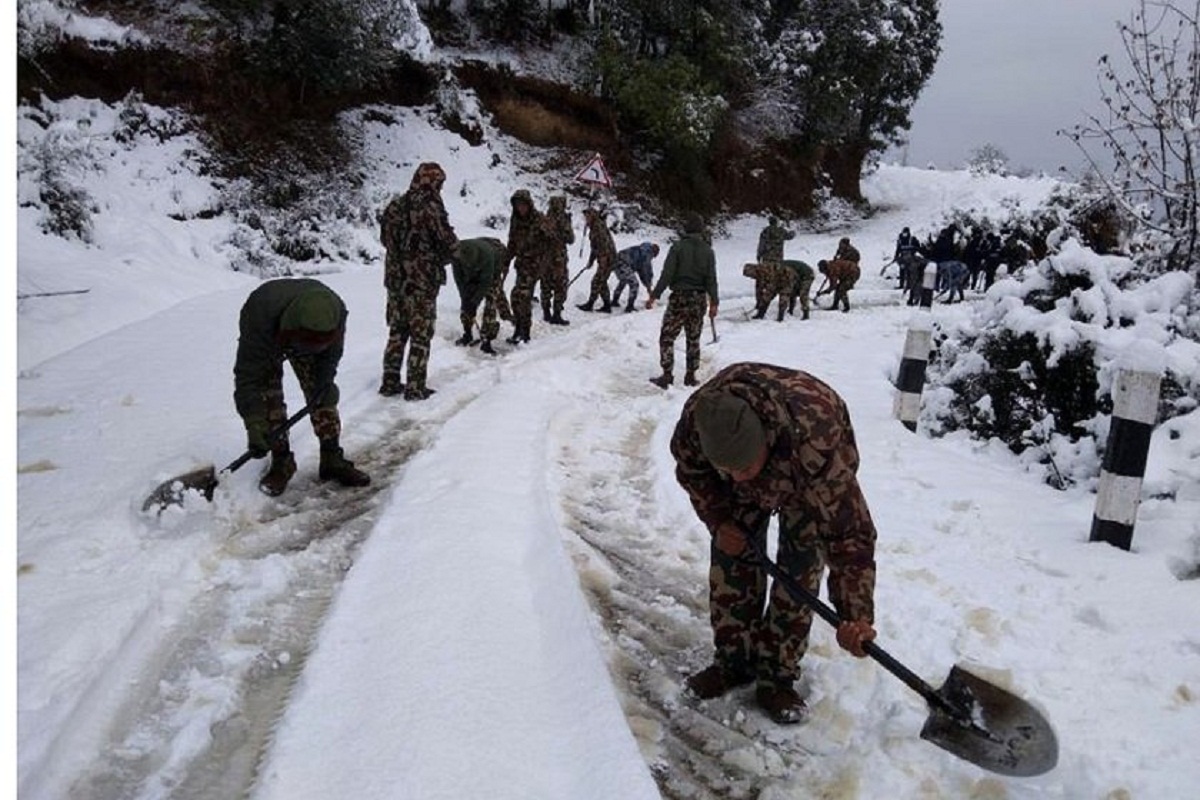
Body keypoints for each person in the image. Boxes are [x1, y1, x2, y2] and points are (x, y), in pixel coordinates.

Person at [668, 362, 878, 724]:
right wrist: (720, 520)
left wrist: (855, 615)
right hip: (762, 464)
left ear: (765, 438)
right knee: (732, 559)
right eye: (728, 470)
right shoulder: (697, 426)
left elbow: (849, 534)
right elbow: (694, 474)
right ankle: (734, 662)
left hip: (801, 470)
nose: (737, 477)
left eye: (745, 468)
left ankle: (777, 677)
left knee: (799, 572)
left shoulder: (816, 442)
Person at [234, 278, 371, 497]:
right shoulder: (259, 315)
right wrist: (254, 423)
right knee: (268, 395)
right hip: (271, 333)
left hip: (309, 333)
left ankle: (332, 458)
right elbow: (248, 378)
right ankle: (281, 462)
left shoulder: (334, 311)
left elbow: (330, 356)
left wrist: (325, 382)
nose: (304, 351)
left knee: (320, 393)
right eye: (304, 345)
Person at [378, 161, 457, 400]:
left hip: (395, 281)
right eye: (439, 183)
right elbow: (448, 243)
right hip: (421, 283)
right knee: (420, 334)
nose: (440, 188)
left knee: (397, 331)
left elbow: (385, 240)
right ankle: (415, 386)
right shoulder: (431, 208)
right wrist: (439, 258)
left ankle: (390, 381)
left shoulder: (395, 206)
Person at [645, 213, 718, 388]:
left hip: (679, 298)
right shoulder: (708, 251)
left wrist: (654, 295)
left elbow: (667, 274)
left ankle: (667, 375)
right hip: (699, 299)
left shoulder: (677, 247)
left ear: (685, 228)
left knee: (667, 336)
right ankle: (690, 376)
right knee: (693, 337)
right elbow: (711, 279)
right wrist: (714, 302)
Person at [450, 237, 509, 355]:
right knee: (467, 301)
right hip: (481, 255)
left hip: (495, 263)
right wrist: (466, 300)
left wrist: (475, 302)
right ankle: (467, 333)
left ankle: (487, 340)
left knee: (491, 299)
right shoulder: (456, 255)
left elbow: (485, 284)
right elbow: (460, 280)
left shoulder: (486, 257)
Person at [505, 189, 548, 345]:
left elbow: (552, 240)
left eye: (523, 205)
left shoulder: (539, 219)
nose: (520, 208)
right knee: (516, 297)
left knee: (523, 296)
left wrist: (545, 261)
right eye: (517, 205)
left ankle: (525, 332)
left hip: (535, 265)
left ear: (529, 205)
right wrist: (506, 261)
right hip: (521, 265)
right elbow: (512, 242)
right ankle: (519, 328)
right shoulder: (515, 220)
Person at [539, 195, 574, 325]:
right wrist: (568, 224)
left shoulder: (544, 219)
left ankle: (546, 312)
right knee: (561, 285)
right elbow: (570, 239)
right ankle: (557, 314)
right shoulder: (563, 219)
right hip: (558, 259)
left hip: (544, 258)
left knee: (545, 286)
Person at [576, 207, 618, 313]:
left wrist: (603, 262)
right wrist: (591, 260)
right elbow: (594, 247)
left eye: (587, 216)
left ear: (592, 216)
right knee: (602, 281)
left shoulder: (598, 228)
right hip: (605, 258)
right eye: (585, 217)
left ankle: (590, 304)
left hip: (608, 258)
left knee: (596, 281)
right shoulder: (594, 227)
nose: (586, 219)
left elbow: (604, 246)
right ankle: (607, 306)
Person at [753, 217, 795, 320]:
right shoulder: (781, 231)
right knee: (776, 280)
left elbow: (761, 244)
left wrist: (759, 255)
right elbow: (790, 236)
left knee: (762, 282)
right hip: (778, 261)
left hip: (767, 260)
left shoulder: (766, 231)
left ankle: (760, 303)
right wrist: (792, 230)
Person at [611, 241, 659, 313]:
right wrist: (648, 287)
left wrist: (647, 285)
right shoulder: (646, 254)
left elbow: (641, 271)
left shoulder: (641, 249)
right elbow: (645, 272)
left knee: (624, 280)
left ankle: (615, 301)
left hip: (616, 262)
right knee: (634, 283)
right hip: (622, 264)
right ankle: (630, 306)